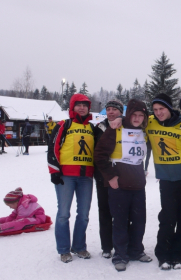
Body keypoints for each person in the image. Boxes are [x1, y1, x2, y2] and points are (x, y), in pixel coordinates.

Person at [146, 93, 181, 270]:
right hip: (166, 180)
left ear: (169, 108)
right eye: (155, 110)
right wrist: (117, 121)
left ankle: (177, 255)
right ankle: (163, 254)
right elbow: (131, 121)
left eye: (161, 109)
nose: (158, 113)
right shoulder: (149, 122)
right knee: (168, 218)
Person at [95, 99, 152, 271]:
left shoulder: (145, 130)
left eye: (140, 115)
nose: (137, 118)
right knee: (119, 222)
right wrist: (111, 177)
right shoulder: (115, 129)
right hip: (118, 185)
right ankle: (120, 254)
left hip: (138, 185)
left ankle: (136, 250)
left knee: (139, 221)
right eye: (133, 115)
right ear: (128, 114)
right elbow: (99, 155)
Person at [48, 93, 95, 263]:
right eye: (78, 105)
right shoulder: (64, 125)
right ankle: (63, 249)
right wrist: (54, 171)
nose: (82, 108)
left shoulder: (92, 127)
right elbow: (53, 148)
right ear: (72, 107)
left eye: (85, 105)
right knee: (63, 214)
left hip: (86, 177)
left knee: (83, 214)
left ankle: (79, 247)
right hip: (66, 176)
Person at [93, 99, 124, 259]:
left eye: (114, 109)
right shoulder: (99, 128)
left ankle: (122, 242)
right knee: (104, 211)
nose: (111, 112)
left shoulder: (125, 125)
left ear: (121, 111)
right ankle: (106, 246)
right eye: (108, 109)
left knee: (120, 212)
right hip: (102, 175)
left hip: (121, 175)